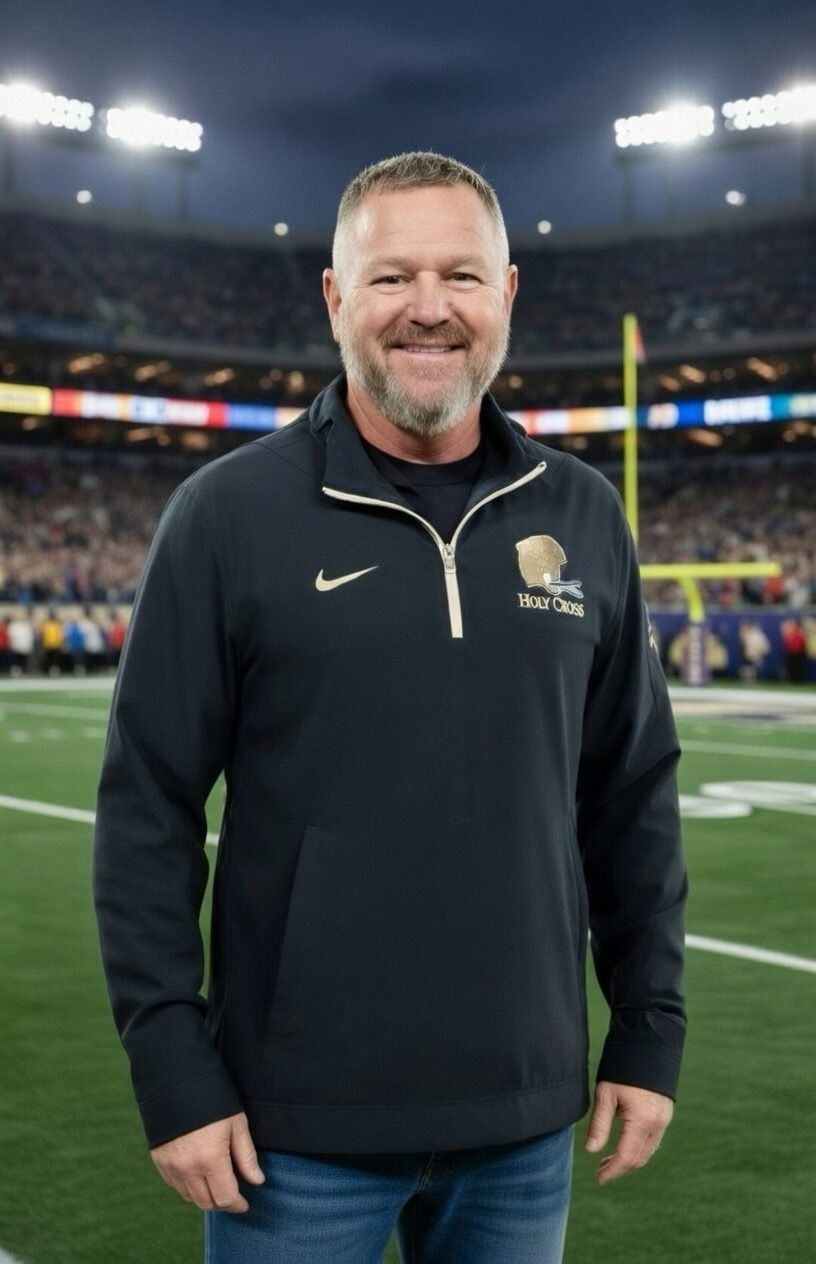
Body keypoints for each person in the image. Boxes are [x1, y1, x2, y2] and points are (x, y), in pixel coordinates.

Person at [92, 152, 687, 1264]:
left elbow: (632, 794)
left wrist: (649, 1031)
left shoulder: (584, 513)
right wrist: (172, 1068)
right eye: (390, 277)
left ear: (507, 294)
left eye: (461, 276)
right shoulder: (226, 515)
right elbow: (146, 808)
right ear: (335, 297)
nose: (428, 308)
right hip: (291, 1136)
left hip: (524, 1122)